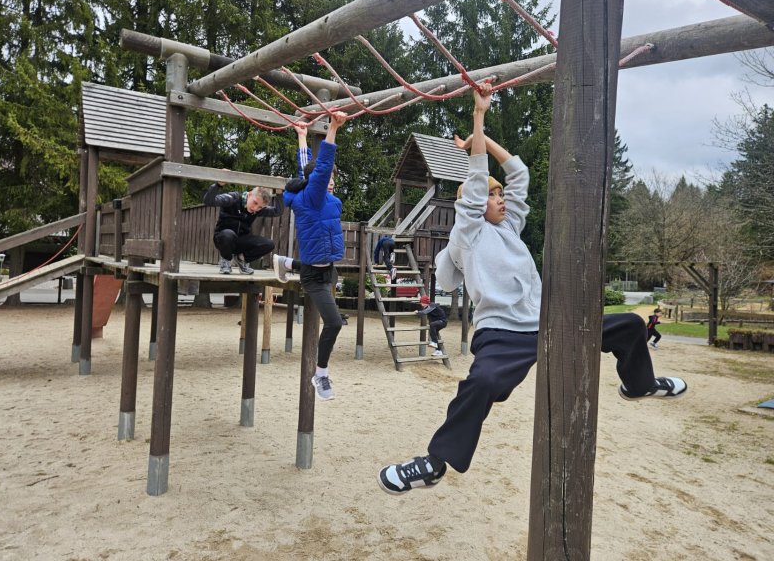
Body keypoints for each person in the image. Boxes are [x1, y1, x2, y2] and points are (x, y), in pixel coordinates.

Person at [376, 84, 688, 496]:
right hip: (504, 334)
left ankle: (639, 383)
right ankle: (434, 463)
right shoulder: (467, 234)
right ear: (474, 204)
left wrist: (485, 140)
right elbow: (474, 185)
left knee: (629, 326)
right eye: (492, 196)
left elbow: (519, 174)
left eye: (500, 194)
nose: (501, 199)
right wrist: (479, 117)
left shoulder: (509, 227)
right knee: (482, 382)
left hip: (546, 324)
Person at [273, 113, 348, 401]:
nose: (331, 180)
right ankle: (321, 374)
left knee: (321, 273)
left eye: (333, 178)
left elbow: (306, 168)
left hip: (327, 268)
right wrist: (333, 128)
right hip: (314, 277)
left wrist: (302, 136)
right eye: (327, 177)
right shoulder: (312, 197)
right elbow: (321, 166)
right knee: (334, 323)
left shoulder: (315, 195)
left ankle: (286, 262)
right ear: (317, 181)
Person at [203, 182, 283, 275]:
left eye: (260, 207)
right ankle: (226, 260)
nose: (255, 208)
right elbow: (209, 201)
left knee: (269, 244)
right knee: (228, 234)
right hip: (223, 238)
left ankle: (241, 259)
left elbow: (277, 211)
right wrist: (218, 185)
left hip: (240, 241)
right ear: (250, 194)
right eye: (255, 203)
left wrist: (279, 193)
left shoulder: (257, 210)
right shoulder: (233, 198)